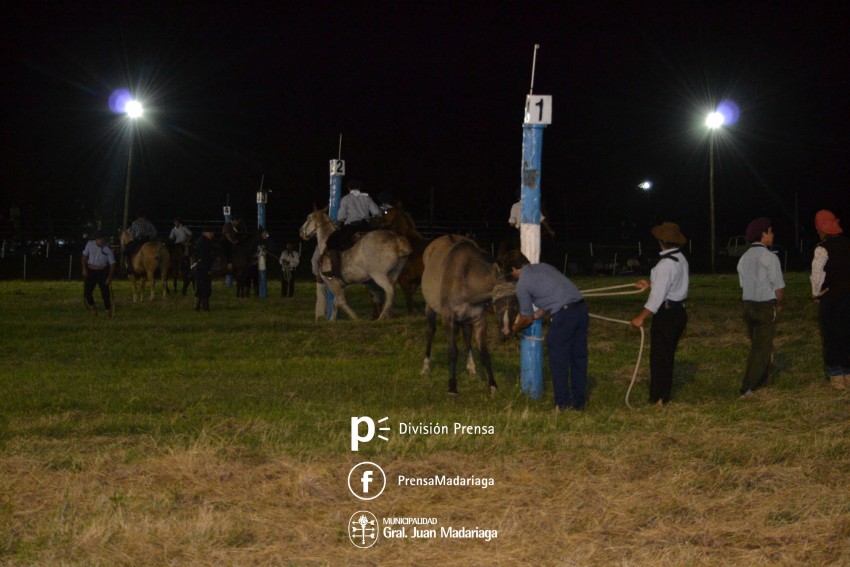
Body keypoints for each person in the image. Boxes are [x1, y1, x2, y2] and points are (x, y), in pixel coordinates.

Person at [506, 250, 589, 411]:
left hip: (563, 316)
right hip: (581, 309)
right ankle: (579, 403)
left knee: (559, 359)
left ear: (514, 269)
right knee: (578, 358)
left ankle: (562, 404)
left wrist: (514, 328)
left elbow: (525, 317)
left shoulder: (522, 283)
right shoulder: (544, 267)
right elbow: (555, 292)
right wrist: (541, 312)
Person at [630, 222, 689, 405]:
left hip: (667, 314)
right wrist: (650, 284)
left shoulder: (665, 264)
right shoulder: (680, 258)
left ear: (661, 242)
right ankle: (663, 396)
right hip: (679, 312)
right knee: (667, 355)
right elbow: (669, 285)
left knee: (659, 358)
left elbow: (656, 299)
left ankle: (658, 399)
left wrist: (641, 317)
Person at [736, 217, 785, 398]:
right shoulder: (770, 257)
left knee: (757, 344)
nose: (773, 235)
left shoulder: (743, 258)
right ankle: (747, 388)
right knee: (762, 349)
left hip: (748, 306)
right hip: (765, 305)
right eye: (770, 231)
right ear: (763, 234)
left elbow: (743, 284)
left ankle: (764, 380)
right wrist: (778, 306)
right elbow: (779, 288)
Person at [811, 209, 850, 389]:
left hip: (831, 298)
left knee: (831, 335)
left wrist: (816, 293)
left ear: (822, 229)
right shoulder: (847, 244)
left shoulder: (822, 248)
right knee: (846, 334)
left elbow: (817, 275)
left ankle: (836, 375)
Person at [323, 180, 380, 278]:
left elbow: (341, 217)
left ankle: (336, 271)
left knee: (331, 241)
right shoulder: (367, 198)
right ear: (359, 188)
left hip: (352, 226)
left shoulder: (346, 199)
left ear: (349, 188)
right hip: (366, 225)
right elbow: (377, 212)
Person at [81, 230, 116, 316]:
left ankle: (108, 311)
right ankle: (93, 308)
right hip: (91, 271)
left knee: (105, 293)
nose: (101, 241)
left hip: (102, 272)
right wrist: (84, 269)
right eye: (99, 239)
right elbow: (84, 256)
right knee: (87, 292)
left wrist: (109, 278)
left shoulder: (107, 249)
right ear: (96, 239)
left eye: (102, 239)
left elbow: (112, 264)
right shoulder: (90, 244)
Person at [192, 227, 216, 311]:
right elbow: (206, 257)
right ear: (204, 233)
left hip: (198, 266)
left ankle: (197, 306)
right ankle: (205, 306)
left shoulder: (199, 241)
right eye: (210, 232)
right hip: (203, 267)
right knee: (205, 287)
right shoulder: (205, 243)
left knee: (199, 286)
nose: (212, 234)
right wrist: (208, 269)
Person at [311, 244, 327, 320]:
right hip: (322, 275)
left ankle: (329, 314)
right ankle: (320, 314)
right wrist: (317, 274)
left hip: (331, 275)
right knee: (321, 294)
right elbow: (314, 260)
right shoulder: (321, 245)